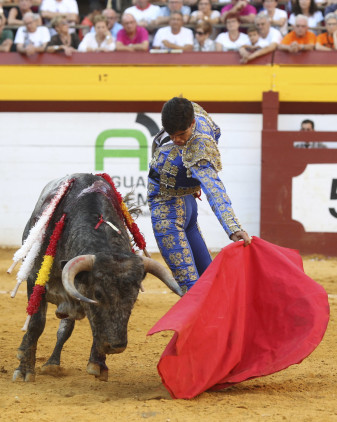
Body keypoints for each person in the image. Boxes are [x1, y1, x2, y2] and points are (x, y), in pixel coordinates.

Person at [148, 97, 251, 292]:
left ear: (192, 123)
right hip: (187, 206)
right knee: (210, 284)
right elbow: (215, 130)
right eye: (172, 134)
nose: (177, 140)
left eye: (181, 134)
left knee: (193, 292)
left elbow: (214, 189)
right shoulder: (192, 111)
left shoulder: (198, 146)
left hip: (166, 210)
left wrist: (233, 227)